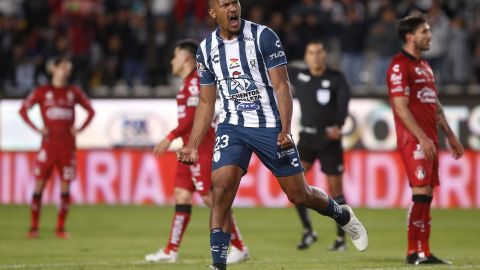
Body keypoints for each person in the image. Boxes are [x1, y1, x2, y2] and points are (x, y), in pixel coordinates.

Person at [176, 1, 368, 269]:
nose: (233, 8)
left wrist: (285, 129)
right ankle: (218, 265)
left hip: (269, 126)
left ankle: (341, 215)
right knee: (220, 192)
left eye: (235, 2)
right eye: (225, 4)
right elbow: (207, 103)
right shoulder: (206, 50)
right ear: (213, 13)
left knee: (299, 195)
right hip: (232, 126)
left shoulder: (263, 36)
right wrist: (193, 145)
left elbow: (281, 86)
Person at [144, 40, 249, 264]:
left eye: (175, 56)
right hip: (188, 150)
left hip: (201, 149)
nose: (172, 61)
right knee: (182, 195)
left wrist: (169, 137)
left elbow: (193, 118)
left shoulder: (195, 82)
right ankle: (171, 250)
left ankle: (239, 247)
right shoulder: (186, 84)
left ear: (185, 58)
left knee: (213, 200)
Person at [386, 14, 464, 265]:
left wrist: (450, 134)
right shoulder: (400, 66)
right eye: (425, 31)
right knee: (420, 192)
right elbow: (400, 106)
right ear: (410, 37)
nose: (430, 36)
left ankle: (425, 251)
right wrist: (421, 137)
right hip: (414, 140)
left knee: (427, 193)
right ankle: (412, 252)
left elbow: (435, 104)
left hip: (430, 138)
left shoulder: (425, 66)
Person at [19, 56, 95, 239]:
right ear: (52, 69)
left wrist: (80, 128)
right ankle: (34, 227)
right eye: (62, 67)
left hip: (68, 148)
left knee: (65, 188)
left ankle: (60, 228)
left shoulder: (74, 92)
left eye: (68, 68)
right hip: (48, 146)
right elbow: (23, 110)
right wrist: (38, 129)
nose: (66, 71)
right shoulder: (42, 92)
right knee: (39, 186)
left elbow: (91, 111)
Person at [289, 40, 350, 251]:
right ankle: (308, 231)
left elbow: (344, 104)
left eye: (319, 52)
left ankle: (341, 238)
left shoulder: (336, 78)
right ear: (305, 57)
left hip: (329, 140)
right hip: (306, 138)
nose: (315, 56)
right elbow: (274, 73)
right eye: (311, 52)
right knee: (295, 185)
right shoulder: (299, 75)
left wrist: (339, 125)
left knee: (336, 190)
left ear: (325, 55)